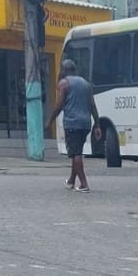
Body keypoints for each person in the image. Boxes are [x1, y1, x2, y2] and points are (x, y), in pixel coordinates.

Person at [46, 58, 101, 192]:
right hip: (86, 124)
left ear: (64, 70)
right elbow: (93, 106)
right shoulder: (86, 84)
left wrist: (50, 121)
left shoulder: (64, 83)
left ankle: (84, 184)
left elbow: (59, 105)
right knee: (77, 151)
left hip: (72, 123)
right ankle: (71, 180)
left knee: (76, 153)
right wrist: (97, 125)